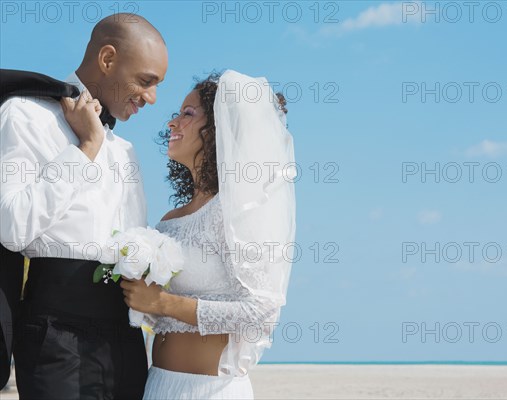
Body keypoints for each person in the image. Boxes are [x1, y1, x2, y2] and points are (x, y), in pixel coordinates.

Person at [65, 69, 296, 399]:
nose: (173, 123)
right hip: (157, 385)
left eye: (188, 114)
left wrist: (165, 303)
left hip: (210, 390)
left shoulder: (237, 214)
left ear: (220, 128)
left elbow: (261, 312)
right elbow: (150, 310)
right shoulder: (170, 220)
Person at [0, 13, 168, 399]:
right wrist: (86, 150)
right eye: (146, 81)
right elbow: (11, 229)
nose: (152, 98)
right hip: (56, 336)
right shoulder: (25, 115)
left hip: (125, 339)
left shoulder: (127, 151)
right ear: (108, 60)